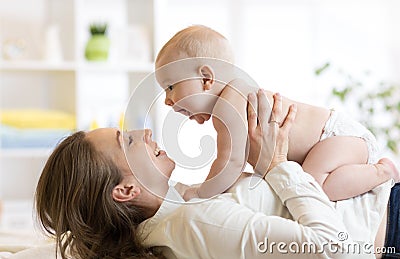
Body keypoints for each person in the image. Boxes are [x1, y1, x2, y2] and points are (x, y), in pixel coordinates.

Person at [28, 90, 398, 259]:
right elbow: (334, 249)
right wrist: (279, 164)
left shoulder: (181, 204)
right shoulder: (194, 223)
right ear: (124, 190)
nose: (143, 133)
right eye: (126, 141)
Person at [155, 25, 399, 201]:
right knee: (303, 183)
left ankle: (382, 171)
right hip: (333, 141)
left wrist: (200, 194)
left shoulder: (229, 103)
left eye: (170, 86)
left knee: (312, 188)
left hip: (335, 137)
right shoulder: (233, 98)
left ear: (206, 78)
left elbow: (230, 163)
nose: (167, 100)